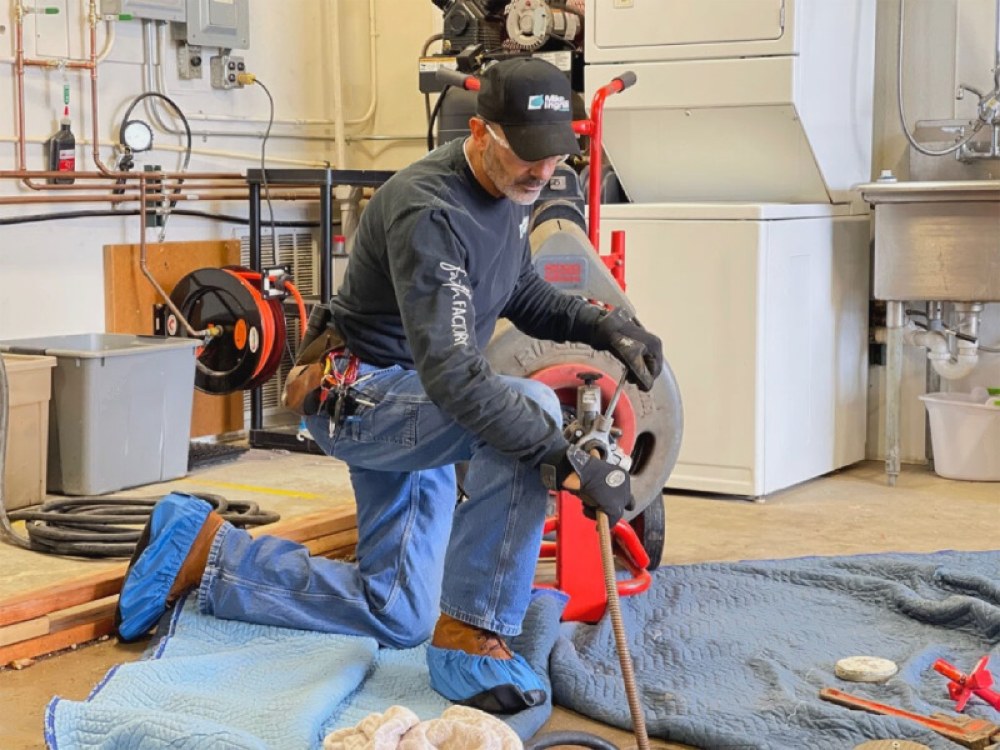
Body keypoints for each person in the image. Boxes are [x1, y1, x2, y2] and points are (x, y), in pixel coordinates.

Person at [114, 57, 663, 714]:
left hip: (418, 404)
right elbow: (456, 377)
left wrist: (608, 327)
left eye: (554, 157)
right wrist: (560, 456)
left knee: (398, 613)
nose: (543, 172)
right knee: (529, 413)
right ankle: (470, 637)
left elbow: (521, 292)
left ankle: (205, 553)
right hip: (361, 398)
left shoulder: (512, 193)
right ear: (481, 132)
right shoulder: (429, 210)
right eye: (528, 155)